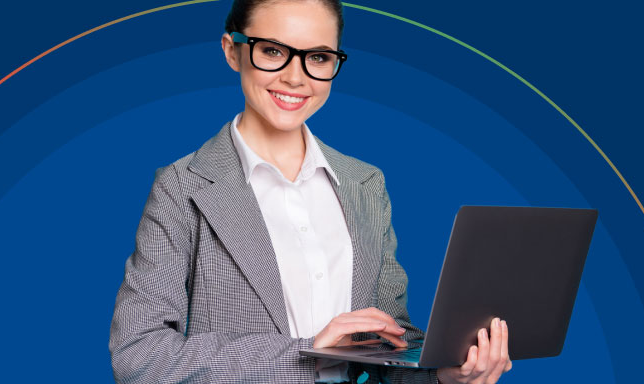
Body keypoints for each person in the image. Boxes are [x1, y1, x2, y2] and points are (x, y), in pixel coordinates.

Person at [109, 0, 512, 382]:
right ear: (232, 51)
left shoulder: (365, 184)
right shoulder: (181, 188)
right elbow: (138, 358)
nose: (296, 77)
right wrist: (306, 353)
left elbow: (387, 347)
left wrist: (445, 374)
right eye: (272, 51)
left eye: (318, 57)